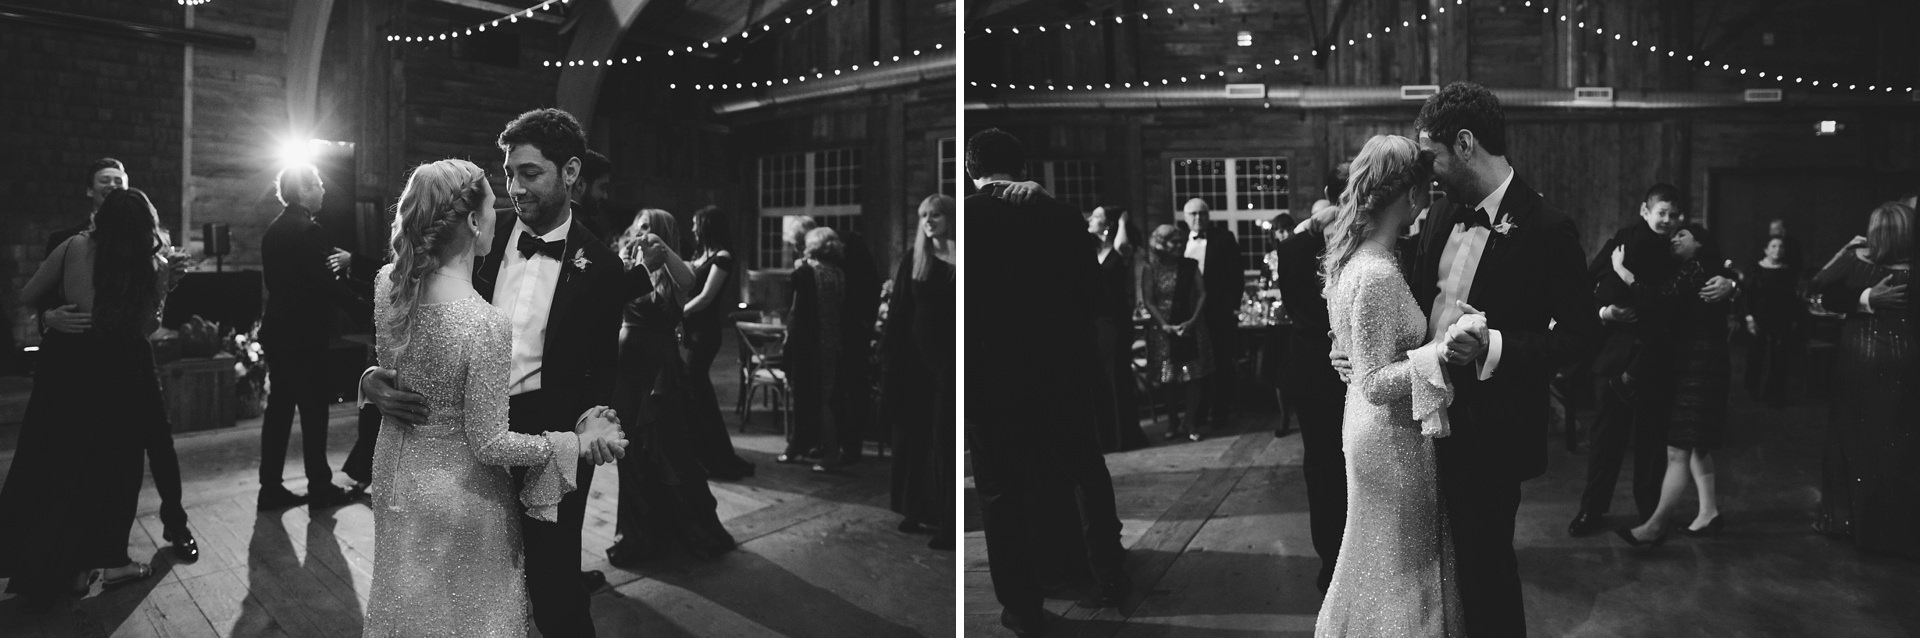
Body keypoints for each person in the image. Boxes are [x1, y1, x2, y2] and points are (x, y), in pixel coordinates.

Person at [1335, 83, 1606, 636]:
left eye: (1430, 155)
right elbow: (1402, 305)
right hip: (1416, 427)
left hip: (1490, 434)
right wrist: (1357, 349)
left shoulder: (1547, 228)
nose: (1425, 170)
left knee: (1486, 577)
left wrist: (1494, 345)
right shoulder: (1440, 215)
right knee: (1435, 581)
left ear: (1464, 144)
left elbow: (1582, 336)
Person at [361, 108, 626, 637]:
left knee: (556, 593)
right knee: (462, 592)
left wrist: (594, 421)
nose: (515, 188)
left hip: (545, 441)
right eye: (508, 173)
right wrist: (370, 378)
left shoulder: (601, 266)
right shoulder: (475, 231)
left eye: (529, 173)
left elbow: (601, 372)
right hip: (462, 457)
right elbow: (414, 320)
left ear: (570, 172)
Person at [967, 129, 1129, 637]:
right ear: (1021, 167)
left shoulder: (967, 217)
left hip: (991, 377)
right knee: (1085, 470)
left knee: (1000, 493)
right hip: (1061, 370)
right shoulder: (1061, 215)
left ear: (971, 169)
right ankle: (1108, 574)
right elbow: (1095, 298)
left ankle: (1022, 606)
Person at [1314, 134, 1464, 636]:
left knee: (1378, 557)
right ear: (1412, 195)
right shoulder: (1377, 273)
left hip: (1370, 427)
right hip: (1389, 437)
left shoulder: (1354, 260)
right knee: (1401, 563)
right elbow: (1376, 382)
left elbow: (1357, 354)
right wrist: (1441, 350)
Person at [1, 188, 174, 596]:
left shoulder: (73, 246)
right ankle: (113, 562)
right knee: (117, 468)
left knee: (63, 465)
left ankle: (69, 569)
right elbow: (147, 327)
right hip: (119, 371)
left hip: (68, 368)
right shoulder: (154, 263)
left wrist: (49, 316)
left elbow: (26, 295)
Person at [35, 158, 198, 561]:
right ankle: (85, 544)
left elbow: (150, 305)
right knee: (91, 449)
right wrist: (48, 318)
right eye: (104, 180)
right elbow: (42, 298)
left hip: (133, 353)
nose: (112, 185)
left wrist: (170, 281)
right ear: (89, 190)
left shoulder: (149, 237)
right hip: (82, 359)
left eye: (119, 181)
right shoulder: (66, 239)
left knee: (159, 438)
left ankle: (176, 523)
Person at [605, 209, 739, 564]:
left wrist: (660, 250)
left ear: (662, 234)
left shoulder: (676, 274)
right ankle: (637, 535)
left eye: (648, 228)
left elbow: (691, 281)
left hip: (660, 372)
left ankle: (682, 531)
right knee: (631, 454)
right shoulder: (628, 269)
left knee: (671, 452)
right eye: (638, 227)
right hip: (627, 371)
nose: (640, 234)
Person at [1569, 184, 1685, 537]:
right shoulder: (1622, 241)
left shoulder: (1678, 249)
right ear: (1645, 211)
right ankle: (1592, 509)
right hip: (1615, 356)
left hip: (1657, 357)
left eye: (1673, 215)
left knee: (1652, 440)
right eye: (1661, 213)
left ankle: (1648, 512)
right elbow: (1586, 285)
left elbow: (1670, 307)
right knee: (1606, 439)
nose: (1667, 220)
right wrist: (1606, 312)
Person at [1613, 225, 1734, 547]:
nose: (1674, 239)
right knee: (1696, 446)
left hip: (1700, 365)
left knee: (1677, 449)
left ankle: (1655, 525)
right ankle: (1708, 513)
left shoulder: (1697, 268)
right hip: (1702, 363)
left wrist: (1623, 272)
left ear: (1700, 243)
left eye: (1683, 234)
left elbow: (1658, 301)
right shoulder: (1700, 269)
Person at [258, 164, 370, 511]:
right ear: (305, 189)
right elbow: (326, 285)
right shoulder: (309, 230)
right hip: (304, 336)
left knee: (278, 412)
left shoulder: (273, 229)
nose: (323, 190)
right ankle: (320, 487)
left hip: (277, 331)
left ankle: (270, 488)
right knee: (314, 411)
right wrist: (366, 309)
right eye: (318, 185)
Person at [1810, 202, 1914, 557]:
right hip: (1905, 361)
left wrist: (1844, 253)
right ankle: (1892, 531)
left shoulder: (1856, 260)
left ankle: (1848, 522)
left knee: (1853, 438)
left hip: (1860, 360)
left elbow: (1815, 286)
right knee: (1896, 443)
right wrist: (1867, 297)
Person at [1271, 200, 1347, 593]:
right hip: (1334, 371)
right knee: (1332, 468)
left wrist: (1309, 225)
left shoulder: (1296, 250)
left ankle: (1331, 561)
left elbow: (1290, 247)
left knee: (1322, 469)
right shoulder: (1360, 246)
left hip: (1313, 369)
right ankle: (1338, 558)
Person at [883, 194, 957, 549]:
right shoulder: (914, 257)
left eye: (936, 215)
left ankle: (949, 522)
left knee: (944, 442)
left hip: (950, 363)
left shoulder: (962, 259)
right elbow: (899, 310)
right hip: (915, 363)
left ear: (950, 218)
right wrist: (889, 358)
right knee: (913, 438)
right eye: (924, 215)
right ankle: (915, 508)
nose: (928, 221)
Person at [681, 206, 756, 480]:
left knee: (698, 388)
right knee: (694, 390)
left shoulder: (722, 257)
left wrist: (678, 312)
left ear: (707, 226)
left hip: (706, 332)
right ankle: (702, 451)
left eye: (695, 223)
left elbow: (706, 298)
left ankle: (715, 454)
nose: (692, 228)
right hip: (692, 330)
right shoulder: (700, 256)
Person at [781, 227, 855, 472]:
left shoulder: (805, 273)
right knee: (826, 397)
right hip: (832, 341)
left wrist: (788, 340)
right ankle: (821, 448)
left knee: (805, 396)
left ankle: (814, 449)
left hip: (807, 343)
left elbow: (795, 311)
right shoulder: (838, 273)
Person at [1139, 225, 1213, 442]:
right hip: (1164, 328)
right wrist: (1164, 325)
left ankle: (1190, 421)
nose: (1179, 246)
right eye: (1174, 242)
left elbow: (1202, 294)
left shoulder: (1190, 266)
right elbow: (1149, 300)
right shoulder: (1151, 268)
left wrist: (1192, 321)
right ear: (1161, 244)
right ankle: (1172, 421)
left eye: (1181, 241)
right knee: (1168, 378)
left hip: (1190, 324)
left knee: (1193, 376)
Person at [1088, 205, 1148, 452]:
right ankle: (1105, 435)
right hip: (1096, 321)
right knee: (1100, 376)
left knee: (1116, 375)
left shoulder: (1121, 250)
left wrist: (1122, 221)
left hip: (1116, 322)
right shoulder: (1092, 250)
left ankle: (1123, 436)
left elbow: (1122, 243)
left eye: (1096, 216)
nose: (1090, 219)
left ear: (1109, 224)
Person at [1180, 197, 1242, 435]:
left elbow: (1235, 274)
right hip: (1189, 316)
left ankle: (1219, 414)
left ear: (1208, 216)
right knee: (1195, 365)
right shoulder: (1179, 241)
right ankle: (1197, 413)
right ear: (1185, 218)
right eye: (1193, 214)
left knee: (1220, 363)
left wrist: (1233, 308)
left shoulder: (1224, 238)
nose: (1198, 218)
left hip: (1218, 312)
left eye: (1202, 213)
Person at [1743, 235, 1807, 406]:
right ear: (1766, 249)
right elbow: (1748, 296)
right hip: (1759, 318)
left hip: (1781, 319)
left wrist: (1793, 319)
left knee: (1779, 358)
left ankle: (1773, 393)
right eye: (1773, 246)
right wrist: (1749, 318)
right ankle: (1752, 390)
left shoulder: (1788, 271)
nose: (1777, 250)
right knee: (1756, 354)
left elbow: (1792, 298)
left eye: (1780, 246)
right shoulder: (1756, 269)